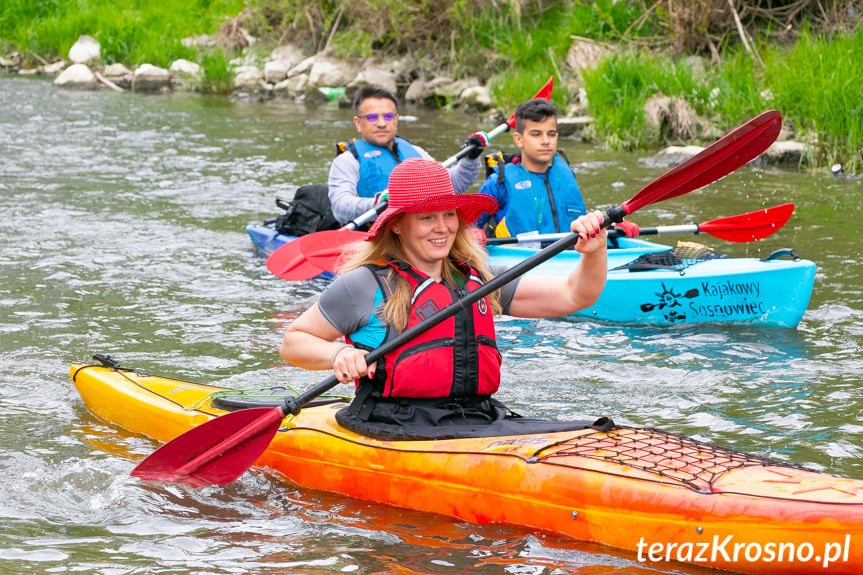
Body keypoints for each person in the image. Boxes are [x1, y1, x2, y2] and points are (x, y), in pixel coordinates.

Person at [281, 157, 608, 439]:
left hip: (477, 420)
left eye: (448, 215)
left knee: (595, 429)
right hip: (392, 426)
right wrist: (337, 353)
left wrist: (594, 252)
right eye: (427, 217)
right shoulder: (363, 285)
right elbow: (294, 342)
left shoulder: (481, 278)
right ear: (396, 225)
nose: (442, 228)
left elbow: (575, 295)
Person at [476, 98, 639, 239]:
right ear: (519, 140)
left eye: (551, 134)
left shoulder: (565, 173)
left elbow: (577, 219)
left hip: (572, 257)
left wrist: (610, 225)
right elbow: (465, 227)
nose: (546, 141)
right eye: (536, 134)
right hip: (519, 262)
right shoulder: (498, 182)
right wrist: (472, 234)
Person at [328, 84, 487, 226]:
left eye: (388, 116)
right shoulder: (347, 161)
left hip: (421, 232)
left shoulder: (416, 152)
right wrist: (378, 202)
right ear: (357, 123)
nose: (382, 123)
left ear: (396, 120)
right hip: (379, 236)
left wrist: (471, 158)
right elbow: (340, 207)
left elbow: (453, 186)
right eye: (372, 117)